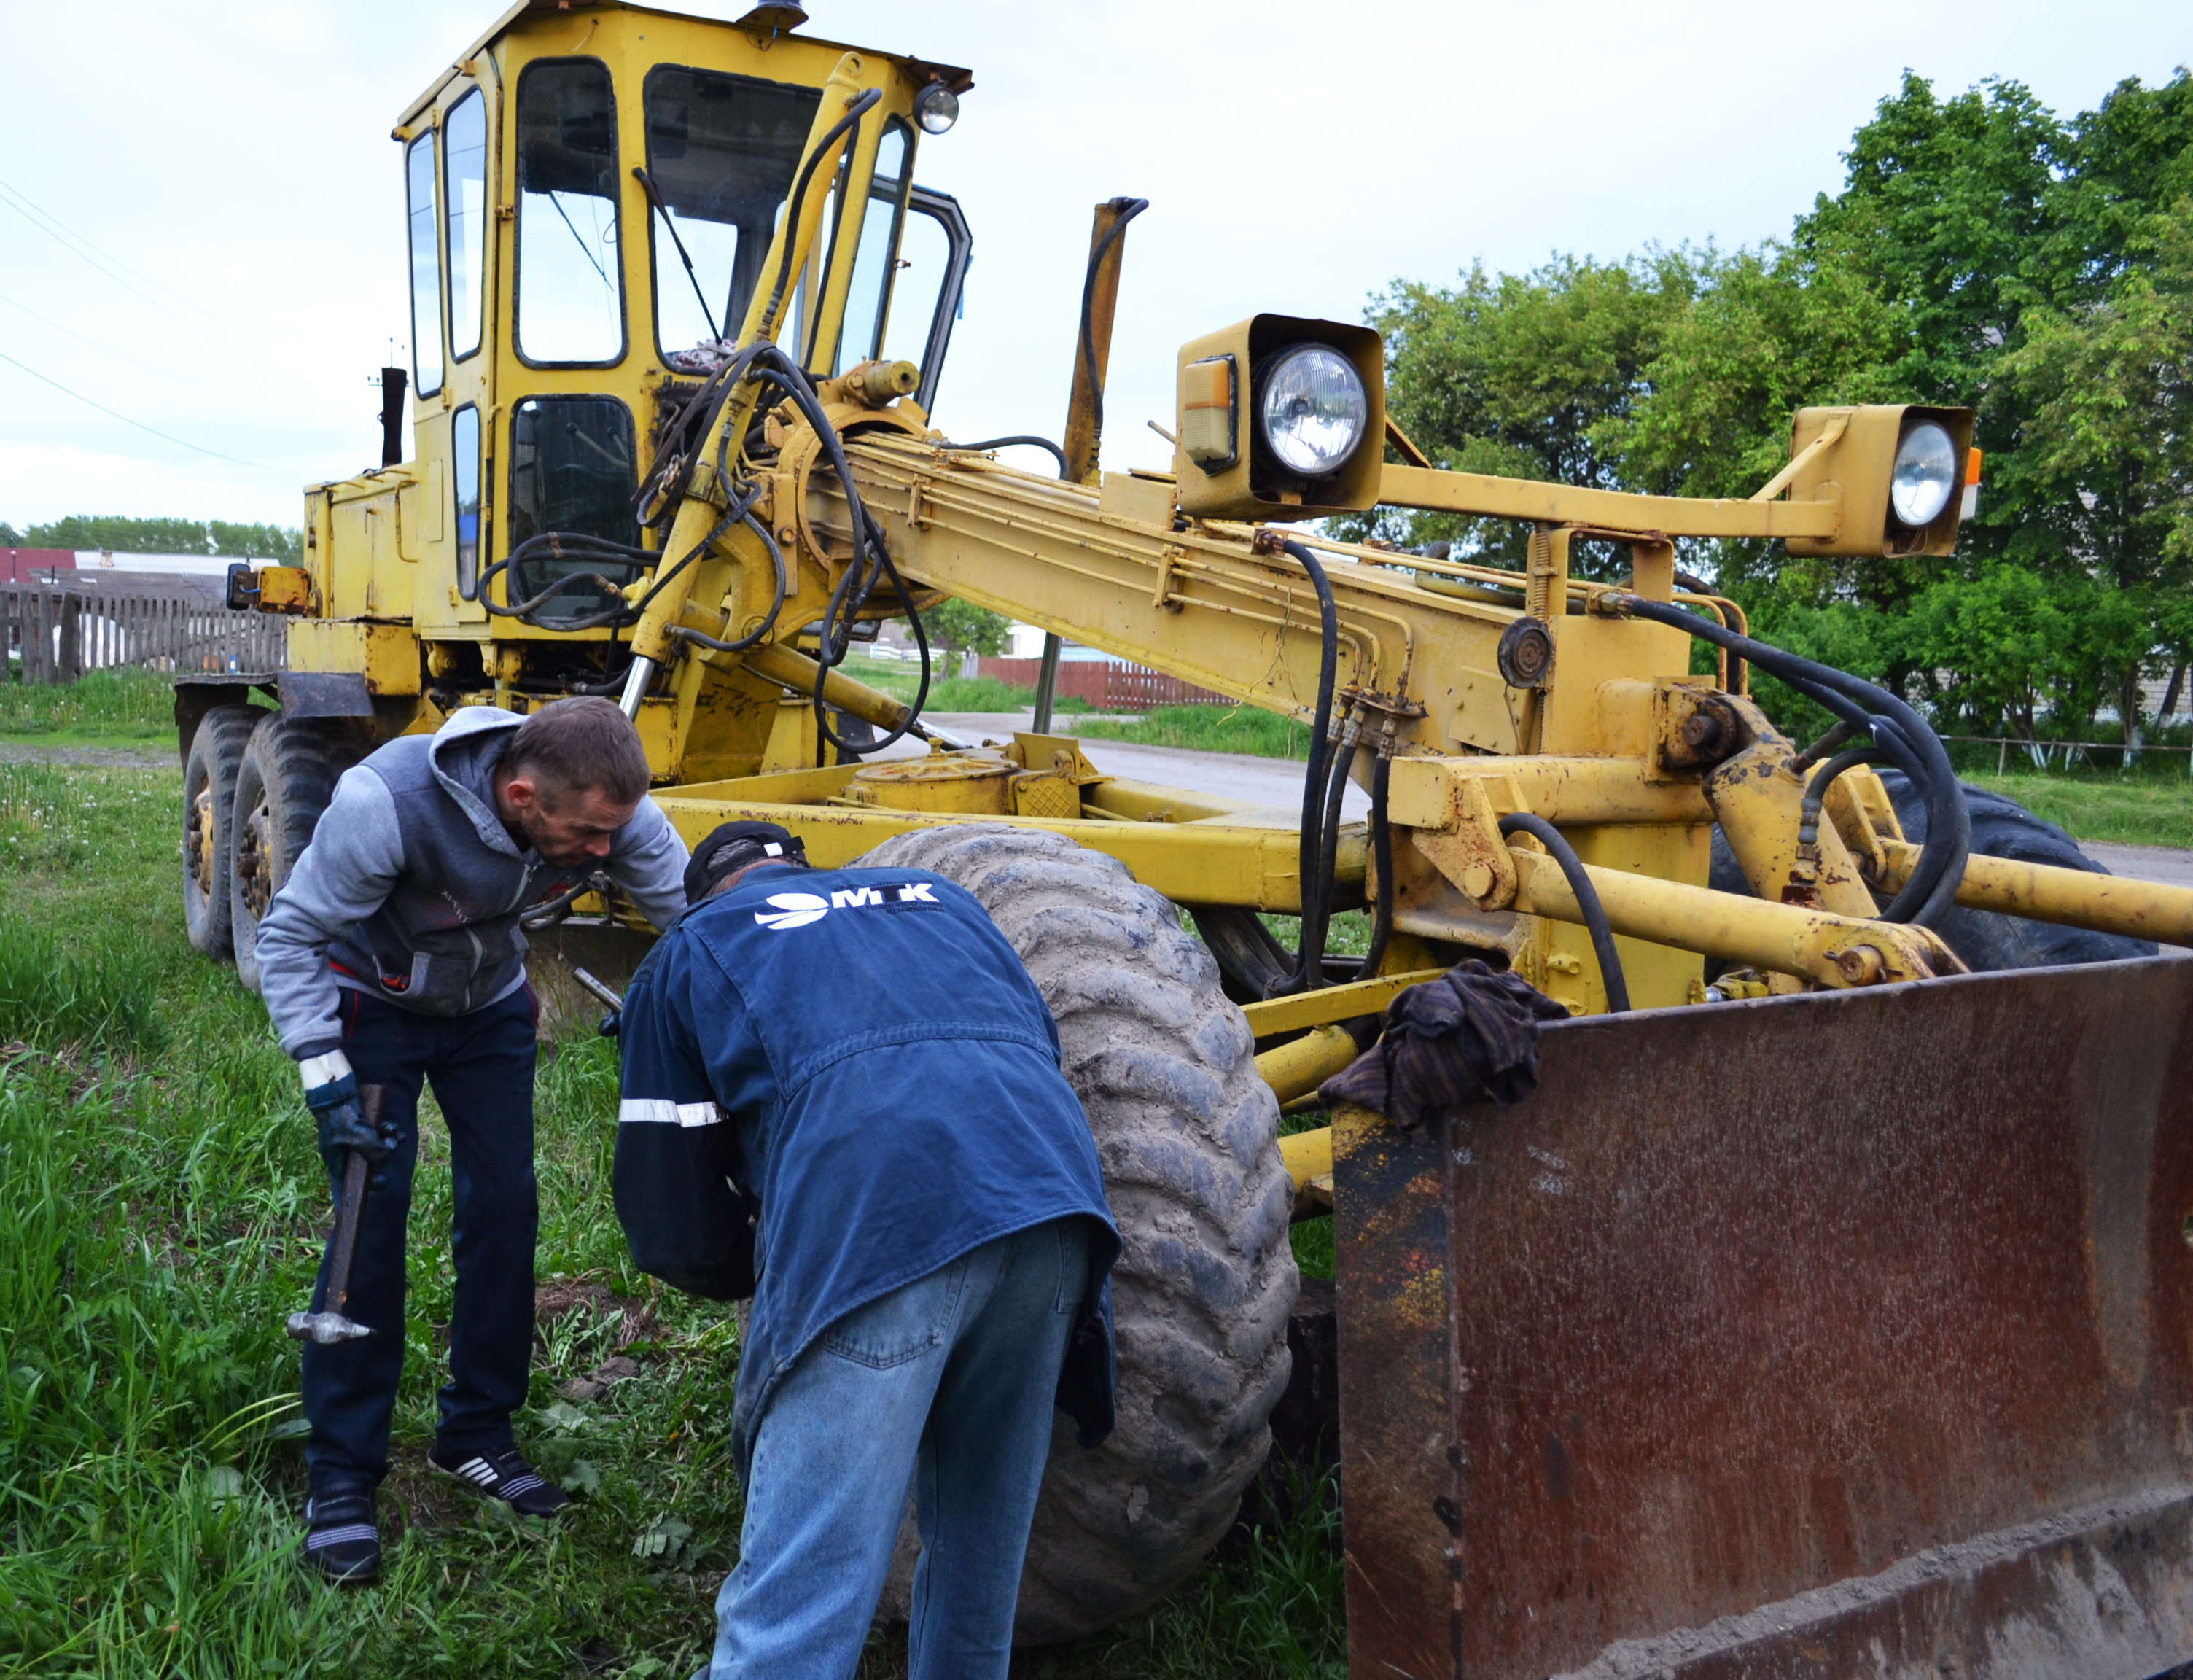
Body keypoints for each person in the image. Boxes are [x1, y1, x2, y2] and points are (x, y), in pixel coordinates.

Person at [611, 820, 1120, 1680]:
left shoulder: (693, 948)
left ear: (706, 893)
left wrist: (763, 1275)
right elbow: (1026, 1043)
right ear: (798, 870)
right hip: (1051, 1205)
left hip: (876, 1229)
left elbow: (671, 1220)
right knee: (976, 1564)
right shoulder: (944, 901)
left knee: (798, 1607)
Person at [254, 698, 690, 1584]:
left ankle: (477, 1435)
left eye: (615, 832)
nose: (605, 852)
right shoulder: (387, 804)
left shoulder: (611, 803)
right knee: (365, 1225)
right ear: (522, 794)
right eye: (587, 834)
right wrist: (323, 1073)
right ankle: (342, 1478)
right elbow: (289, 935)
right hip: (371, 1003)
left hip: (486, 1008)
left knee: (504, 1210)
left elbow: (692, 912)